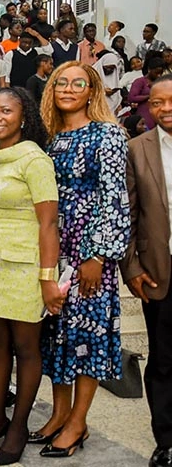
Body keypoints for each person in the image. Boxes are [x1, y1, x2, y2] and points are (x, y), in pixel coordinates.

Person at [30, 62, 131, 458]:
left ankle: (77, 422)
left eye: (78, 83)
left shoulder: (107, 134)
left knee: (87, 336)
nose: (69, 89)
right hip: (55, 247)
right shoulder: (52, 138)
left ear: (92, 91)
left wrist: (98, 256)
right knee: (58, 334)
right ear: (51, 90)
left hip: (89, 252)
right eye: (61, 83)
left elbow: (114, 197)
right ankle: (59, 414)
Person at [0, 87, 62, 466]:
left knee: (26, 348)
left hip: (28, 266)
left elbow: (48, 223)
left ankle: (18, 426)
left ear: (24, 117)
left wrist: (48, 278)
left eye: (6, 111)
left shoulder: (35, 160)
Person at [121, 74, 172, 467]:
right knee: (164, 359)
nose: (165, 109)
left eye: (171, 101)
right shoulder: (137, 149)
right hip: (160, 270)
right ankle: (166, 440)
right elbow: (129, 214)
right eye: (157, 103)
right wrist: (132, 267)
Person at [131, 57, 169, 128]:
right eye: (156, 73)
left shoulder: (161, 82)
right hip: (145, 114)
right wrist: (149, 96)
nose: (159, 75)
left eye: (161, 73)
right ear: (149, 70)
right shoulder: (140, 81)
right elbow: (132, 97)